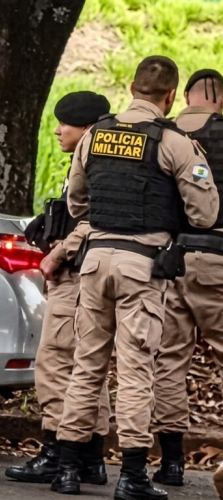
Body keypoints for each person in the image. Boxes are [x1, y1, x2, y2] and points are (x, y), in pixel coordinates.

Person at [53, 56, 219, 499]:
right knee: (135, 370)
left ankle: (67, 468)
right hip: (142, 266)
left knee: (86, 365)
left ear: (130, 87)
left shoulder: (96, 135)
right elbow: (205, 214)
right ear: (171, 96)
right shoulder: (173, 141)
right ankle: (132, 475)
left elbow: (77, 202)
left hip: (94, 261)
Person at [6, 91, 113, 486]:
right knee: (89, 368)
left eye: (64, 123)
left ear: (86, 128)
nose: (57, 130)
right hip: (93, 274)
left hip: (76, 275)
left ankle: (55, 451)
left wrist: (58, 253)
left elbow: (91, 220)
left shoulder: (95, 160)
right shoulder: (109, 159)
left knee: (55, 362)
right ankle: (91, 457)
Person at [150, 69, 223, 488]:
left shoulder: (163, 134)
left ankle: (172, 462)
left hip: (168, 260)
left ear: (183, 96)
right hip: (217, 261)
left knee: (169, 360)